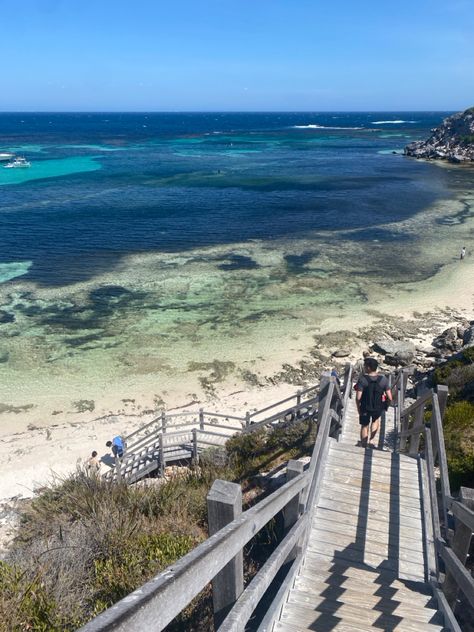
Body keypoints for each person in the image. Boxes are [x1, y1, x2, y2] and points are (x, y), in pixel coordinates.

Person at [355, 357, 392, 448]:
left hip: (365, 406)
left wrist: (358, 408)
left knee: (364, 425)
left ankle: (363, 445)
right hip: (378, 407)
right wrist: (386, 405)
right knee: (375, 421)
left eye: (364, 366)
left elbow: (358, 397)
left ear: (368, 368)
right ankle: (371, 441)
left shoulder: (362, 380)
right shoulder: (383, 380)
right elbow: (390, 397)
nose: (363, 367)